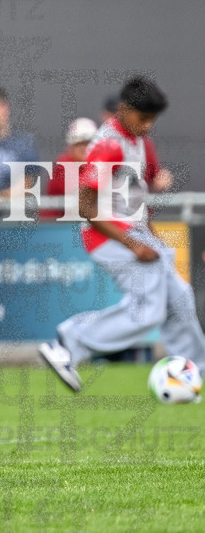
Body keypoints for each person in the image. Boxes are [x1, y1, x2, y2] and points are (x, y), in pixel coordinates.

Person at [39, 77, 205, 392]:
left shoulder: (137, 138)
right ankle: (66, 343)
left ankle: (194, 372)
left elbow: (134, 198)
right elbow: (85, 206)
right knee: (147, 314)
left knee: (180, 298)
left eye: (153, 119)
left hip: (136, 234)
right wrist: (133, 244)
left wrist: (150, 236)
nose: (148, 125)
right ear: (124, 109)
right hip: (110, 237)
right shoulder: (109, 145)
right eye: (143, 118)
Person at [101, 93, 172, 193]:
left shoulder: (143, 141)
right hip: (106, 200)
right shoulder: (96, 141)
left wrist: (161, 179)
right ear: (104, 115)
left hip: (136, 199)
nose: (118, 119)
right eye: (114, 114)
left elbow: (155, 176)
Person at [41, 117, 97, 220]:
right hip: (57, 224)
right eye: (79, 143)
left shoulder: (98, 165)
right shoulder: (62, 166)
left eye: (89, 143)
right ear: (70, 147)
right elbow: (81, 197)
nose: (85, 147)